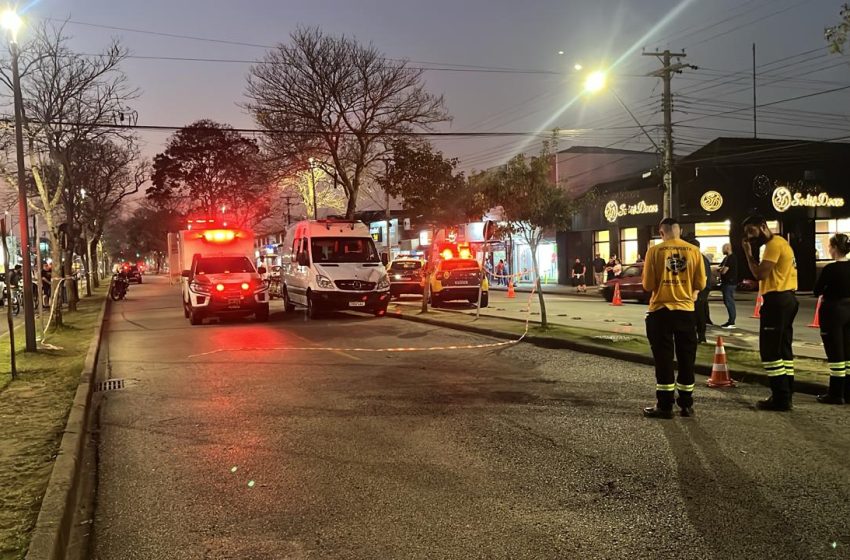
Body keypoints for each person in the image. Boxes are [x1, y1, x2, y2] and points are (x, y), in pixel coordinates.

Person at [641, 217, 706, 419]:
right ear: (679, 231)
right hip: (686, 311)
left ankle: (665, 406)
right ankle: (686, 404)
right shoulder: (694, 251)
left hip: (661, 311)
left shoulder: (654, 251)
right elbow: (701, 284)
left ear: (662, 233)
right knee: (687, 359)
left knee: (664, 359)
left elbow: (648, 285)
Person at [742, 215, 798, 411]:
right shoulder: (782, 243)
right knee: (783, 350)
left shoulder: (773, 245)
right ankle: (787, 392)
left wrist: (749, 254)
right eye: (747, 233)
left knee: (770, 352)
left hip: (777, 301)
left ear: (763, 227)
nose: (749, 236)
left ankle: (780, 398)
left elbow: (759, 274)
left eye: (752, 231)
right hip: (787, 299)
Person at [813, 233, 850, 405]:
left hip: (833, 311)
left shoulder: (830, 269)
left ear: (834, 248)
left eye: (830, 246)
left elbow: (817, 290)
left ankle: (836, 393)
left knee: (836, 353)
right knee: (848, 351)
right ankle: (848, 391)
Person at [690, 239, 712, 343]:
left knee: (698, 313)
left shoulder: (700, 259)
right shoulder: (702, 258)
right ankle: (700, 335)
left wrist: (696, 292)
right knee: (700, 311)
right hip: (703, 289)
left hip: (701, 289)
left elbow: (704, 277)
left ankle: (701, 336)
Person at [719, 243, 738, 329]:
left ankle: (731, 321)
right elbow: (720, 268)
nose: (722, 250)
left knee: (729, 302)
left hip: (729, 283)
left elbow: (723, 271)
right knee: (728, 301)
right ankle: (731, 320)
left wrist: (721, 269)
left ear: (727, 248)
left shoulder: (731, 258)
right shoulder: (726, 258)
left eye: (723, 248)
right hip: (727, 283)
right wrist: (721, 269)